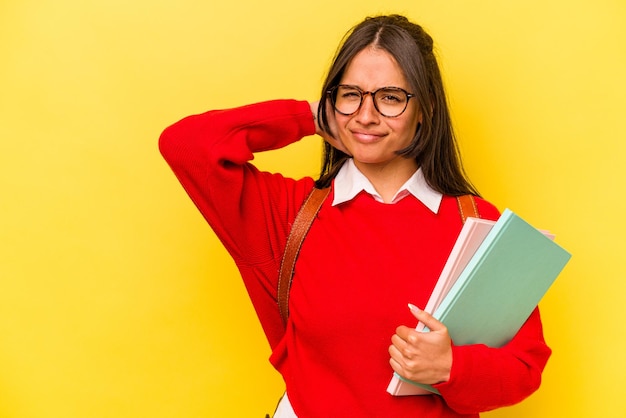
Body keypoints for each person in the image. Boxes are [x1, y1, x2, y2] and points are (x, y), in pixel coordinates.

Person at [159, 14, 551, 418]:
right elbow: (186, 145)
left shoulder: (478, 225)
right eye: (351, 95)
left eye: (391, 97)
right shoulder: (288, 214)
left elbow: (524, 368)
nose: (365, 115)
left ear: (426, 108)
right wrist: (308, 117)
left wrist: (451, 368)